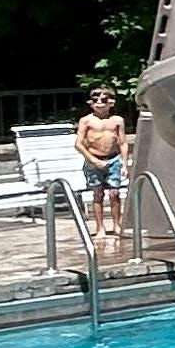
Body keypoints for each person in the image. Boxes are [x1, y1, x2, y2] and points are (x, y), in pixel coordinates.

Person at [69, 88, 133, 257]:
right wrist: (92, 159)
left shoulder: (117, 120)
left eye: (103, 100)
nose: (99, 103)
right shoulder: (86, 121)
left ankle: (117, 225)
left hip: (113, 160)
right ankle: (100, 227)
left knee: (114, 193)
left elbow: (123, 143)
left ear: (111, 102)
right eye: (95, 100)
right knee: (98, 194)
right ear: (90, 103)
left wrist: (125, 164)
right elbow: (78, 143)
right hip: (94, 160)